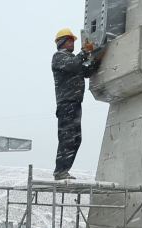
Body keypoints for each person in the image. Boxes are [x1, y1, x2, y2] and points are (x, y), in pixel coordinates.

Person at [51, 28, 102, 180]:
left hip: (75, 104)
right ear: (61, 43)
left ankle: (63, 170)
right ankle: (60, 171)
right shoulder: (59, 57)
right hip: (66, 104)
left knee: (75, 139)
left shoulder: (74, 59)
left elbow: (86, 71)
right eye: (69, 40)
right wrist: (84, 52)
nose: (72, 43)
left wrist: (97, 57)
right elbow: (74, 65)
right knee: (67, 137)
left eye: (73, 41)